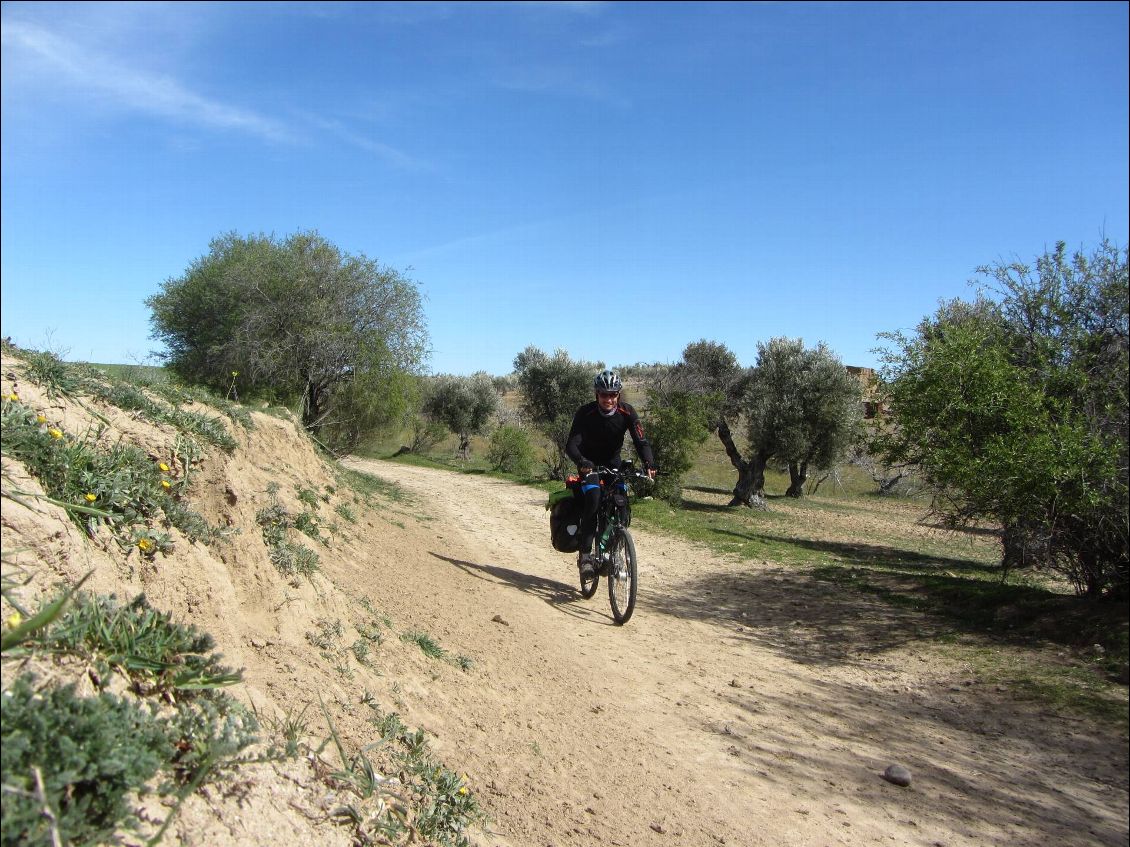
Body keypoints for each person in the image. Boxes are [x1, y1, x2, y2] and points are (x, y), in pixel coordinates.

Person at [565, 369, 657, 580]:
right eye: (604, 394)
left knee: (621, 504)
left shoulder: (627, 412)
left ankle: (612, 551)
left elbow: (641, 441)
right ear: (596, 394)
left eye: (613, 394)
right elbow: (571, 445)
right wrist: (582, 461)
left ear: (618, 394)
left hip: (613, 465)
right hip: (589, 466)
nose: (608, 399)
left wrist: (649, 463)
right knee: (594, 499)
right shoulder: (585, 413)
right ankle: (586, 555)